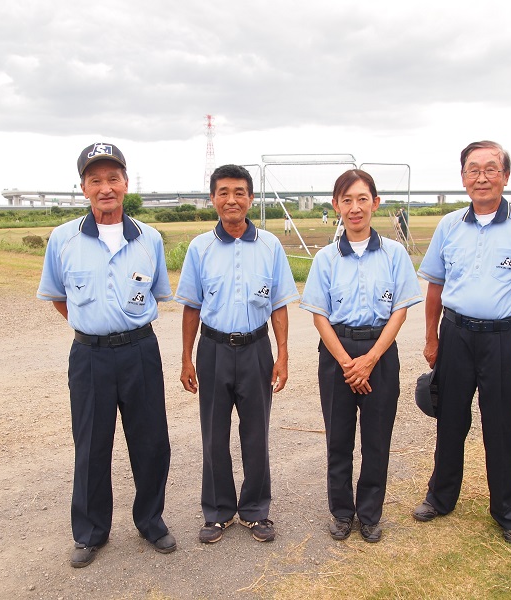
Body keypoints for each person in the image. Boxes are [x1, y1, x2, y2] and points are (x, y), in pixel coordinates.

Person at [413, 141, 511, 547]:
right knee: (449, 421)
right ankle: (440, 498)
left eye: (490, 169)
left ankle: (509, 512)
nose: (481, 177)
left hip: (504, 339)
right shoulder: (449, 226)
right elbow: (435, 287)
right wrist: (432, 338)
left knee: (502, 426)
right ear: (463, 177)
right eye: (473, 169)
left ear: (505, 176)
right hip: (455, 336)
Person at [37, 142, 176, 568]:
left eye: (113, 178)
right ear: (83, 188)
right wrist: (92, 324)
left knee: (151, 442)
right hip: (90, 356)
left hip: (140, 351)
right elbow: (58, 297)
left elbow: (157, 293)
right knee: (91, 445)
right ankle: (91, 532)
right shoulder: (63, 239)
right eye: (95, 180)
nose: (105, 188)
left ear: (126, 183)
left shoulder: (149, 239)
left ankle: (150, 521)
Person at [175, 164, 299, 544]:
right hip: (212, 349)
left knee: (256, 433)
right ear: (213, 198)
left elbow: (279, 305)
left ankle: (256, 511)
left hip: (256, 350)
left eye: (239, 192)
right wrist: (186, 358)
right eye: (224, 192)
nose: (232, 200)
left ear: (251, 198)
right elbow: (191, 307)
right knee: (214, 435)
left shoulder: (270, 246)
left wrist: (282, 355)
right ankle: (218, 512)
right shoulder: (200, 248)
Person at [300, 169, 422, 543]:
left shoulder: (394, 254)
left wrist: (369, 360)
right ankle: (341, 513)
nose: (355, 208)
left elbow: (399, 311)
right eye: (347, 200)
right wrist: (347, 362)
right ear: (336, 205)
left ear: (375, 203)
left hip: (379, 353)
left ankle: (369, 514)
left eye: (362, 199)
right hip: (337, 354)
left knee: (376, 440)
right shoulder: (325, 258)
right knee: (339, 440)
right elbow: (319, 316)